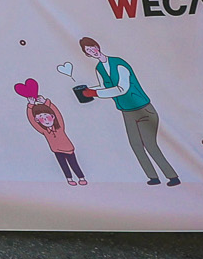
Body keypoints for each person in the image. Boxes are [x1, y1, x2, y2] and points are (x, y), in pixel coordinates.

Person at [73, 34, 179, 187]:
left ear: (97, 46)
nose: (92, 51)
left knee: (150, 144)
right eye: (88, 50)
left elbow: (122, 89)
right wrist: (89, 91)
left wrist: (95, 93)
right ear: (87, 54)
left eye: (92, 47)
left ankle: (172, 176)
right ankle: (153, 177)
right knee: (135, 144)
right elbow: (104, 86)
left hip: (143, 108)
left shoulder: (119, 64)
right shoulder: (99, 68)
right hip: (127, 111)